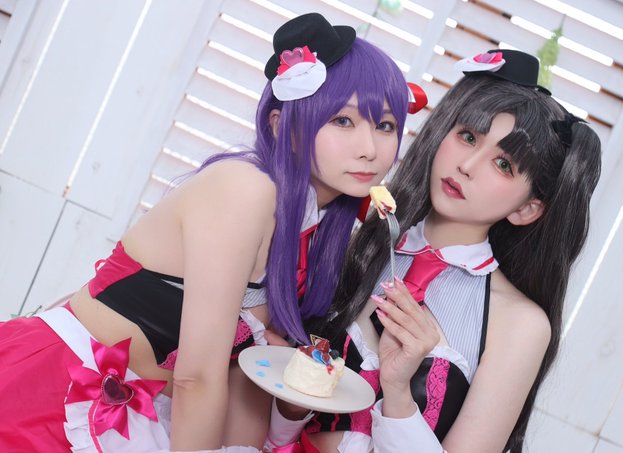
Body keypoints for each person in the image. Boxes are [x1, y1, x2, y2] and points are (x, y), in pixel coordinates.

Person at [0, 13, 414, 452]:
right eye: (343, 121)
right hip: (52, 393)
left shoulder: (310, 231)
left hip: (146, 413)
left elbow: (240, 375)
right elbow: (197, 375)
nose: (369, 148)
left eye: (385, 125)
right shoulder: (245, 189)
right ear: (283, 125)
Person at [282, 49, 602, 452]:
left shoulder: (520, 324)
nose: (468, 164)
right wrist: (290, 404)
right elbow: (274, 419)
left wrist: (399, 391)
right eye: (468, 137)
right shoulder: (358, 248)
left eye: (503, 164)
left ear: (527, 209)